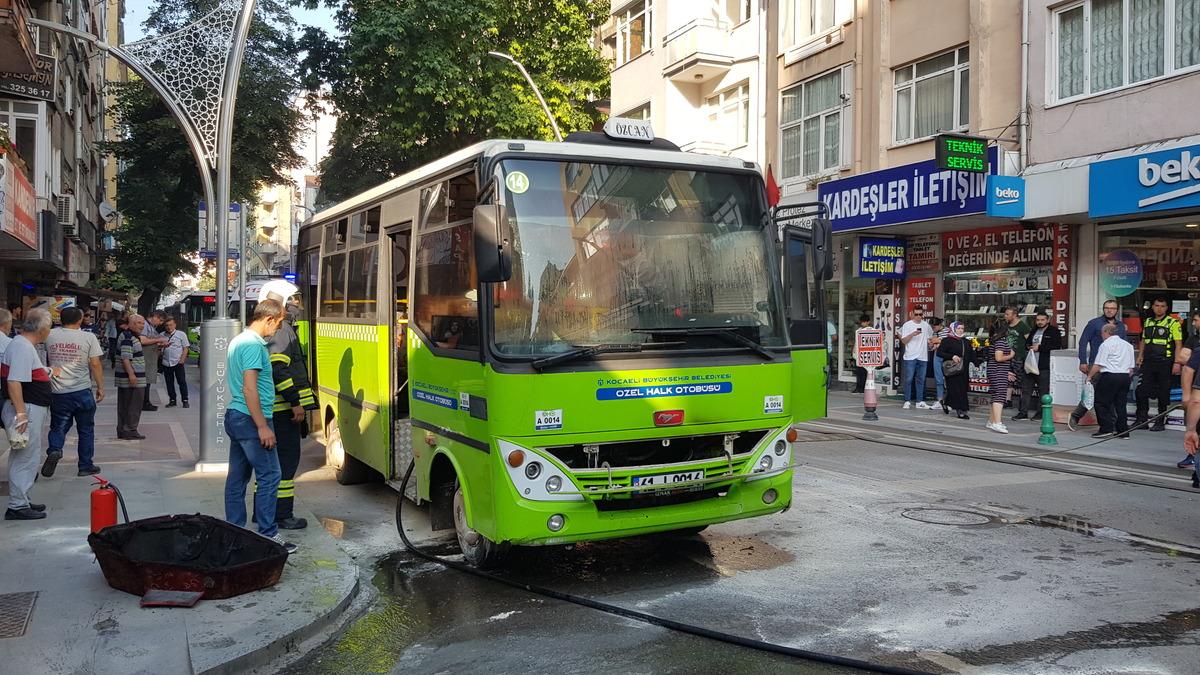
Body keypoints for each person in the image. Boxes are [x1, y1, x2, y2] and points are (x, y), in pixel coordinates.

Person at [223, 299, 296, 553]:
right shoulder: (254, 346)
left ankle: (235, 533)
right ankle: (268, 535)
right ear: (268, 319)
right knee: (270, 475)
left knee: (238, 478)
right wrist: (262, 426)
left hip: (236, 416)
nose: (277, 330)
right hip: (251, 419)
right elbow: (249, 387)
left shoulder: (239, 340)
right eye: (277, 324)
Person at [261, 281, 319, 530]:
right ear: (280, 303)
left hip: (277, 410)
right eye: (293, 301)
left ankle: (264, 512)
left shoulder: (278, 329)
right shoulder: (282, 330)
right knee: (286, 464)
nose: (297, 305)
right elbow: (278, 369)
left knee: (271, 466)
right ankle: (282, 515)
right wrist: (295, 403)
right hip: (283, 411)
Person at [2, 309, 54, 520]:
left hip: (28, 406)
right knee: (25, 457)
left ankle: (21, 498)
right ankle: (17, 505)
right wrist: (22, 413)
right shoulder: (23, 347)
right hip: (27, 408)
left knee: (25, 455)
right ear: (42, 330)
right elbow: (14, 381)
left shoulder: (20, 344)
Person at [42, 307, 105, 478]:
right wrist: (100, 386)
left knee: (58, 425)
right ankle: (85, 465)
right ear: (80, 320)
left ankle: (55, 449)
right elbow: (95, 364)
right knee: (85, 429)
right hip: (82, 391)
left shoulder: (50, 335)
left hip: (58, 391)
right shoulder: (88, 337)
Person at [1069, 300, 1127, 431]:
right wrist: (1083, 361)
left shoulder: (1121, 326)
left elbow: (1124, 345)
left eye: (1112, 308)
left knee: (1110, 395)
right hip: (1097, 365)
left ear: (1117, 310)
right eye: (1107, 308)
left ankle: (1111, 423)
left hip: (1115, 368)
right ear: (1103, 309)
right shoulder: (1094, 323)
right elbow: (1083, 342)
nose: (1109, 310)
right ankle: (1075, 416)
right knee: (1091, 393)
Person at [1134, 298, 1182, 432]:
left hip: (1165, 362)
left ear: (1166, 308)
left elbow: (1178, 344)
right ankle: (1141, 420)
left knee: (1163, 393)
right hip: (1148, 362)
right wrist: (1140, 356)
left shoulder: (1172, 323)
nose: (1159, 308)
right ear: (1153, 307)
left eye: (1162, 306)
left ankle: (1160, 421)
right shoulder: (1148, 322)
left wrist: (1177, 362)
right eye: (1157, 305)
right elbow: (1143, 340)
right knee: (1141, 391)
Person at [1087, 323, 1135, 439]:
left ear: (1106, 332)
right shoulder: (1128, 345)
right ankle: (1123, 431)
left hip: (1110, 375)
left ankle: (1106, 428)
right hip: (1124, 376)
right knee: (1121, 405)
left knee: (1101, 403)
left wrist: (1089, 377)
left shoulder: (1106, 345)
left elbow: (1098, 364)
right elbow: (1131, 368)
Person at [1023, 310, 1063, 421]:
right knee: (1026, 389)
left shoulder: (1053, 331)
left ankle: (1040, 413)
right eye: (1038, 320)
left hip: (1044, 365)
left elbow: (1056, 346)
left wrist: (1039, 348)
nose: (1040, 322)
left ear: (1048, 320)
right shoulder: (1034, 330)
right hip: (1031, 364)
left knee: (1043, 390)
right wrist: (1029, 347)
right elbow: (1027, 343)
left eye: (1042, 320)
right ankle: (1023, 412)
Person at [116, 314, 148, 440]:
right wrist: (131, 375)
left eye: (143, 323)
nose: (142, 325)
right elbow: (125, 358)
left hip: (129, 377)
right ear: (132, 323)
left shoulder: (131, 336)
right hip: (132, 378)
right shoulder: (128, 337)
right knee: (133, 405)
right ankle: (130, 429)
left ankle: (123, 430)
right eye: (139, 323)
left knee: (126, 405)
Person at [1175, 310, 1200, 469]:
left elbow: (1186, 363)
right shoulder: (1194, 339)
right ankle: (1191, 456)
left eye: (1196, 320)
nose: (1193, 323)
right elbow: (1181, 358)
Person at [936, 321, 974, 420]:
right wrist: (952, 356)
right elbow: (939, 353)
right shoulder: (947, 340)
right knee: (957, 390)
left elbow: (971, 354)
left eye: (962, 328)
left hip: (963, 369)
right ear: (953, 329)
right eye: (958, 328)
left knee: (961, 389)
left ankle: (945, 402)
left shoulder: (965, 341)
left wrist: (976, 363)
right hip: (952, 370)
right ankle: (961, 411)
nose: (961, 330)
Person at [899, 306, 932, 409]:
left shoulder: (926, 325)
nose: (918, 317)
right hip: (910, 356)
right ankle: (907, 400)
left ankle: (919, 401)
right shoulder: (907, 325)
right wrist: (912, 334)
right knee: (908, 379)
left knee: (921, 379)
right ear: (912, 314)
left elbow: (930, 338)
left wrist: (931, 344)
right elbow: (904, 341)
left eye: (920, 314)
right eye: (916, 314)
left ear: (923, 315)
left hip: (922, 356)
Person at [1003, 306, 1032, 420]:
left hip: (1019, 357)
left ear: (1014, 315)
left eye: (1007, 314)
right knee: (1008, 379)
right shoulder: (1007, 326)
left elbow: (1028, 340)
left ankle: (1022, 405)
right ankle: (1007, 400)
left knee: (1020, 380)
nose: (1005, 316)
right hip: (1007, 355)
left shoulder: (1022, 326)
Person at [986, 320, 1014, 434]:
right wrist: (1011, 355)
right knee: (1000, 396)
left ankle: (992, 420)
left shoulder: (994, 340)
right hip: (998, 371)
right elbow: (999, 358)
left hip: (995, 370)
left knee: (995, 395)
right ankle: (997, 423)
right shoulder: (1000, 342)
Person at [140, 310, 169, 410]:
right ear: (155, 316)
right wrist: (158, 340)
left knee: (147, 382)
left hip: (150, 358)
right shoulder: (144, 325)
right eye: (160, 320)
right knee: (145, 382)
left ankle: (146, 401)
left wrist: (160, 345)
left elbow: (150, 341)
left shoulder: (151, 327)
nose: (160, 323)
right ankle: (144, 403)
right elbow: (142, 340)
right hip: (145, 358)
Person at [160, 316, 190, 408]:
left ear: (175, 325)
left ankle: (185, 400)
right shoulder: (161, 335)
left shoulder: (181, 334)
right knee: (169, 383)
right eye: (167, 325)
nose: (169, 327)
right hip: (166, 363)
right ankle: (172, 400)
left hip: (178, 362)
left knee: (181, 382)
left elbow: (185, 348)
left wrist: (182, 360)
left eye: (171, 325)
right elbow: (158, 348)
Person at [929, 317, 947, 412]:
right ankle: (940, 400)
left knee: (947, 378)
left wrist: (937, 341)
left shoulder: (947, 331)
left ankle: (948, 400)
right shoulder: (934, 333)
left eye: (934, 326)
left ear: (939, 325)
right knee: (938, 378)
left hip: (946, 356)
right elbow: (932, 345)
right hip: (937, 355)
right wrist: (932, 343)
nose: (933, 328)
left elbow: (947, 342)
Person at [851, 314, 872, 393]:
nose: (862, 323)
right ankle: (858, 387)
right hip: (858, 353)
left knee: (864, 372)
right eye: (862, 322)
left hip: (866, 354)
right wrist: (853, 350)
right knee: (858, 371)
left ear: (868, 322)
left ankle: (863, 387)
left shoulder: (870, 330)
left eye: (864, 322)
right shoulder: (858, 330)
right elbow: (856, 342)